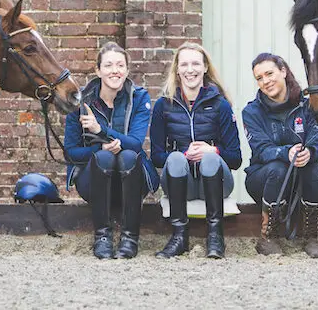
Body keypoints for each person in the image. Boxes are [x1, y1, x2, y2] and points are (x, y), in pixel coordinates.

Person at [64, 41, 159, 260]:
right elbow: (70, 152)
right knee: (104, 156)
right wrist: (99, 150)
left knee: (127, 154)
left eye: (120, 65)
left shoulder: (139, 97)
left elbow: (135, 144)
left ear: (127, 69)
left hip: (132, 180)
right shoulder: (80, 103)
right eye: (108, 65)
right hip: (94, 180)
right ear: (98, 70)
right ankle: (102, 237)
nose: (115, 70)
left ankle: (130, 237)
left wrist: (101, 130)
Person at [150, 42, 242, 259]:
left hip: (216, 182)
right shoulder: (164, 105)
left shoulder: (221, 105)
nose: (190, 69)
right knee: (173, 158)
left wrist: (213, 151)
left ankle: (215, 236)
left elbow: (236, 159)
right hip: (180, 182)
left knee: (210, 158)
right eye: (184, 64)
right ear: (177, 69)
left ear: (205, 68)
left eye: (195, 64)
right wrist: (183, 156)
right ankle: (179, 236)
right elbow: (156, 156)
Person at [242, 53, 318, 258]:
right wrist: (285, 152)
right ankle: (268, 237)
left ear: (283, 71)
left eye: (269, 73)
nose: (266, 81)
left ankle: (311, 236)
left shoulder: (308, 106)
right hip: (262, 179)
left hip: (299, 180)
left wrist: (310, 152)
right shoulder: (251, 111)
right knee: (278, 167)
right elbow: (261, 150)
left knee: (314, 168)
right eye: (259, 78)